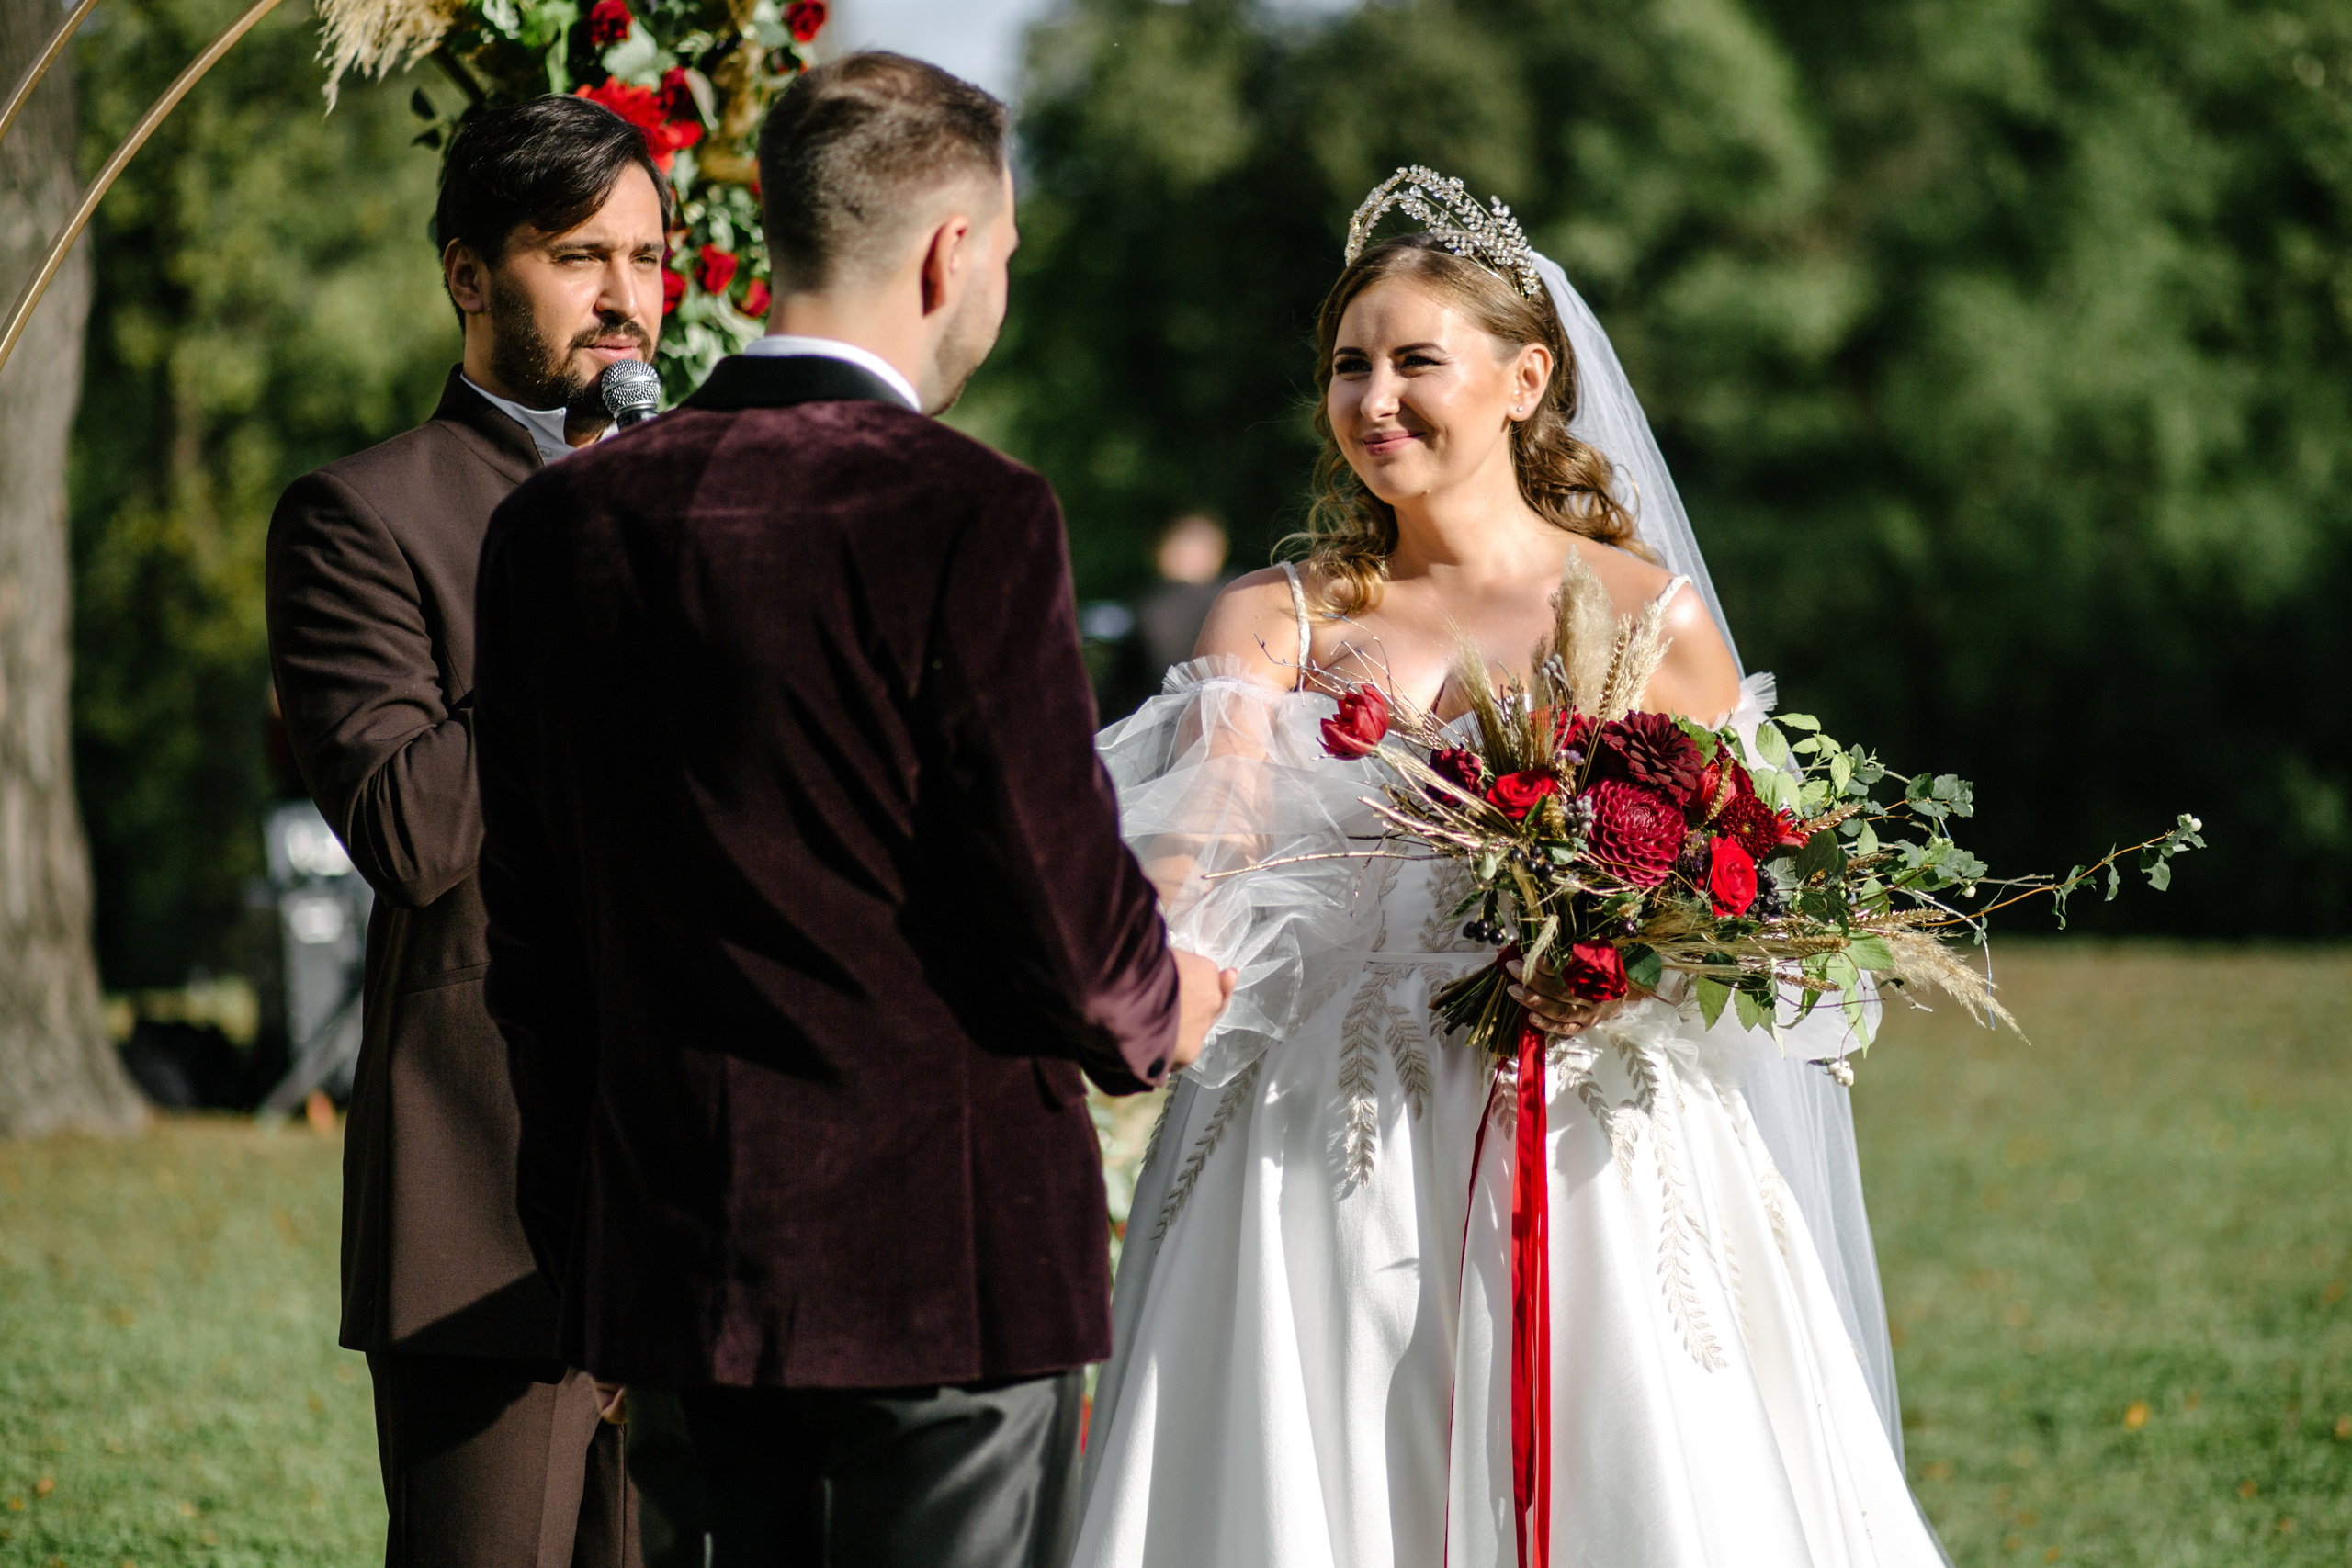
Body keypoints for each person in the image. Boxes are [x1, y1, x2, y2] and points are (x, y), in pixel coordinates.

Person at [1074, 174, 1947, 1566]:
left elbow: (1754, 892)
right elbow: (1198, 847)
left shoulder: (1641, 613)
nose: (1375, 399)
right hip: (1323, 1129)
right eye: (1350, 365)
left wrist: (1628, 937)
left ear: (1526, 378)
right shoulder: (1280, 616)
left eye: (1417, 360)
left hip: (1591, 1119)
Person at [470, 52, 1234, 1568]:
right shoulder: (968, 509)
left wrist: (589, 1253)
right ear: (953, 252)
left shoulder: (558, 524)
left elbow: (535, 942)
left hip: (672, 1259)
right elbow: (1060, 908)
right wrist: (1165, 1005)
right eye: (1004, 257)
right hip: (936, 1279)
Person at [263, 95, 667, 1566]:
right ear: (468, 274)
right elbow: (410, 828)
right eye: (578, 256)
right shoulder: (358, 517)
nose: (624, 296)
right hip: (487, 1201)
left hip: (711, 1196)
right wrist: (585, 582)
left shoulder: (725, 502)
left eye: (645, 254)